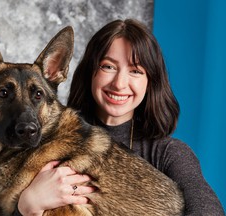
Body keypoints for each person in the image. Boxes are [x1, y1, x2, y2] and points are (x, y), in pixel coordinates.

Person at [15, 19, 225, 215]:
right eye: (108, 66)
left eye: (135, 71)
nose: (119, 83)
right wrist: (27, 205)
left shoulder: (168, 154)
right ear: (90, 73)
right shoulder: (43, 142)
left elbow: (208, 210)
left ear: (150, 82)